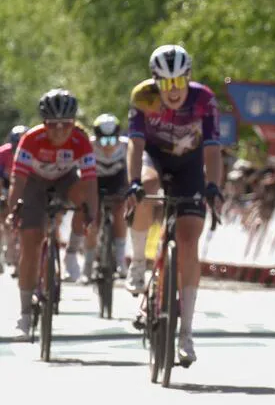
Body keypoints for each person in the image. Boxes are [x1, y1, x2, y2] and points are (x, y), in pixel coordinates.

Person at [125, 44, 223, 367]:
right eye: (166, 84)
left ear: (188, 79)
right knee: (147, 186)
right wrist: (133, 184)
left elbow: (212, 151)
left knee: (189, 238)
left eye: (179, 82)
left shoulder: (204, 100)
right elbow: (135, 147)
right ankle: (138, 262)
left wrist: (213, 188)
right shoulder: (143, 98)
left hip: (189, 166)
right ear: (155, 82)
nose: (174, 90)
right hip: (156, 159)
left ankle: (187, 333)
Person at [5, 90, 98, 340]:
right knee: (31, 242)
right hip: (34, 182)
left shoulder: (80, 140)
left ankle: (71, 255)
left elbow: (90, 181)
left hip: (65, 179)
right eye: (52, 125)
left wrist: (91, 213)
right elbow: (18, 179)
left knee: (84, 201)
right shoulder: (31, 139)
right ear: (44, 123)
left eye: (65, 125)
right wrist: (14, 209)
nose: (59, 131)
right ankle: (24, 314)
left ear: (73, 123)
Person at [76, 114, 130, 282]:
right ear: (96, 138)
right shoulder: (89, 146)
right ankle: (88, 266)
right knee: (93, 221)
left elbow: (132, 170)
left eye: (112, 141)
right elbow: (80, 171)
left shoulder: (126, 145)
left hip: (117, 180)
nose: (108, 146)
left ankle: (121, 260)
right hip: (95, 182)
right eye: (104, 141)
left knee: (120, 211)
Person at [0, 125, 27, 274]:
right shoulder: (3, 153)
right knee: (3, 220)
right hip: (5, 184)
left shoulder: (31, 151)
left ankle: (19, 262)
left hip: (24, 184)